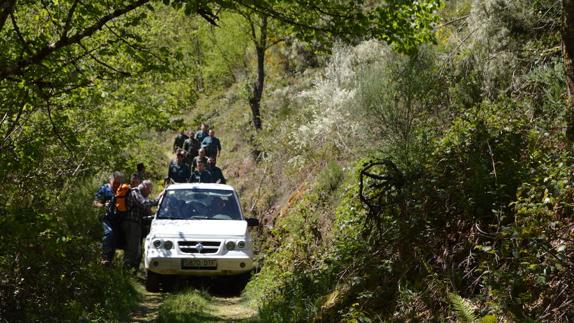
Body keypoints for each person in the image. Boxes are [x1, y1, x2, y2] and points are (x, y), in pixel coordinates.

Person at [122, 180, 163, 271]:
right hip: (131, 223)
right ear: (145, 187)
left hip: (136, 224)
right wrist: (158, 198)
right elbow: (144, 204)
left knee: (136, 249)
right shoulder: (135, 192)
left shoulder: (138, 193)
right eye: (150, 190)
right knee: (132, 249)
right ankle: (125, 271)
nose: (150, 192)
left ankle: (131, 270)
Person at [93, 171, 124, 266]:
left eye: (118, 184)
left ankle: (108, 263)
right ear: (111, 180)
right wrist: (102, 205)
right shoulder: (105, 189)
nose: (116, 185)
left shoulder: (121, 191)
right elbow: (94, 203)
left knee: (114, 241)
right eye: (115, 183)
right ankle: (104, 257)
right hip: (105, 218)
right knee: (109, 233)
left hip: (116, 220)